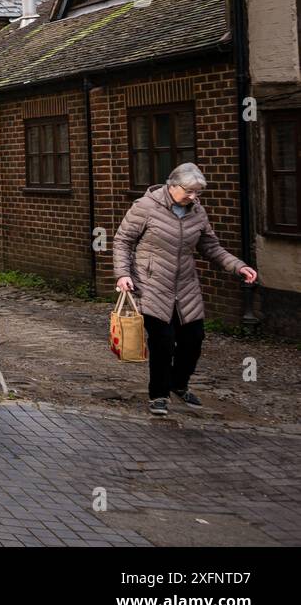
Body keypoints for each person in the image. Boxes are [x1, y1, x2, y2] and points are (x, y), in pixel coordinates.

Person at [113, 163, 258, 417]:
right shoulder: (145, 207)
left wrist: (239, 266)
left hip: (186, 286)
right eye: (189, 191)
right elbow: (122, 241)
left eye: (197, 192)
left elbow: (211, 246)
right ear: (172, 186)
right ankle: (159, 395)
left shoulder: (197, 212)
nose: (193, 197)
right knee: (163, 342)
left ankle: (178, 384)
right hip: (152, 284)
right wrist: (123, 274)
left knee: (194, 339)